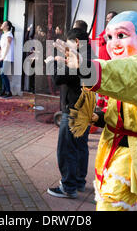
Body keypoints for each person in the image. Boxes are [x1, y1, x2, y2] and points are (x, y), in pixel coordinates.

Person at [59, 11, 137, 211]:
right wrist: (97, 117)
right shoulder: (128, 64)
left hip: (130, 150)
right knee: (110, 200)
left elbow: (115, 72)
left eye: (121, 36)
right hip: (114, 145)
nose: (114, 43)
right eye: (109, 37)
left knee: (111, 204)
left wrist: (83, 66)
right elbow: (120, 106)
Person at [45, 28, 93, 199]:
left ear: (77, 43)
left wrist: (51, 62)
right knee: (80, 147)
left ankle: (68, 186)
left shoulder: (79, 60)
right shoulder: (87, 56)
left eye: (69, 42)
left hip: (73, 110)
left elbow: (59, 78)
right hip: (85, 109)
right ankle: (78, 181)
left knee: (67, 149)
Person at [0, 20, 14, 98]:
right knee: (2, 75)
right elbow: (2, 47)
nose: (2, 24)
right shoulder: (3, 35)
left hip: (7, 57)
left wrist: (3, 56)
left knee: (4, 74)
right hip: (2, 57)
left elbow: (7, 46)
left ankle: (8, 91)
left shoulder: (9, 34)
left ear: (7, 27)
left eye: (3, 24)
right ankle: (3, 90)